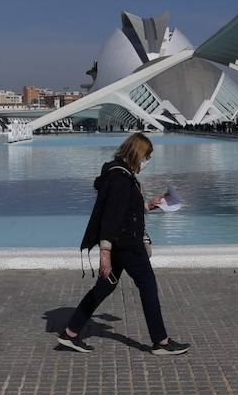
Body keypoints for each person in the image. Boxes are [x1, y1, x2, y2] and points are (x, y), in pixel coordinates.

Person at [59, 133, 189, 355]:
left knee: (104, 286)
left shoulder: (119, 173)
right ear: (137, 153)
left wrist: (149, 205)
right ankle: (161, 342)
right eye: (146, 156)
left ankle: (70, 333)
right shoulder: (121, 178)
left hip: (121, 242)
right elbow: (111, 218)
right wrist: (105, 254)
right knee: (148, 287)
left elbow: (125, 211)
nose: (146, 161)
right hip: (127, 244)